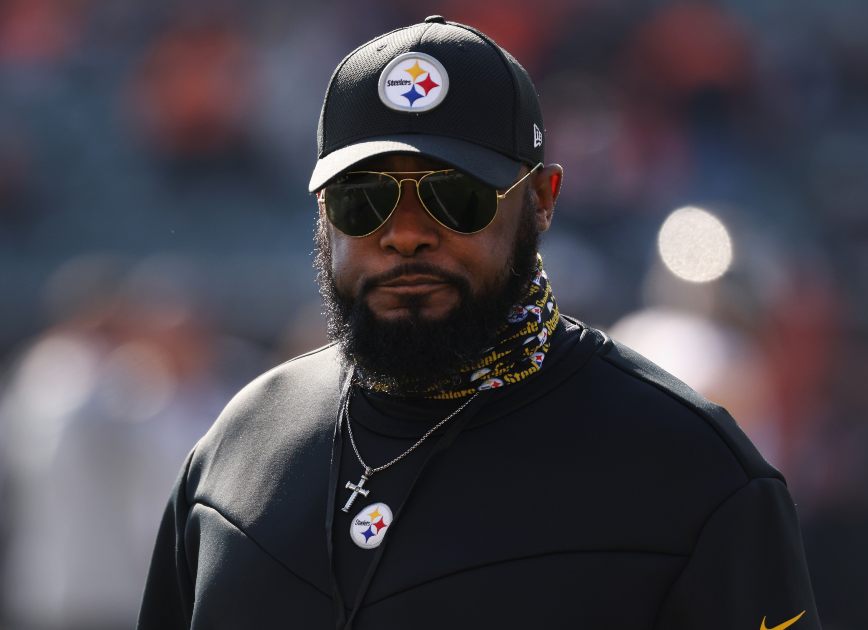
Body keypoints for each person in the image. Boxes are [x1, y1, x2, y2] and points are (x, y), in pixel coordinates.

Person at [138, 16, 821, 630]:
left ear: (542, 201)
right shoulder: (236, 452)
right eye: (364, 199)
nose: (405, 234)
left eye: (454, 195)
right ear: (320, 210)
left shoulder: (693, 469)